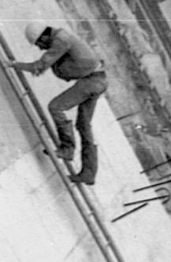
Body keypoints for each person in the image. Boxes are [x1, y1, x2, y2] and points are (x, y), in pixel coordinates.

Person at [12, 22, 107, 184]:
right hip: (99, 79)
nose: (41, 48)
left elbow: (39, 67)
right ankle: (89, 173)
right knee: (84, 126)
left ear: (44, 36)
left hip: (92, 81)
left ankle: (67, 148)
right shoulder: (62, 37)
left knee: (56, 107)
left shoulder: (61, 40)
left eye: (39, 44)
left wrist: (14, 65)